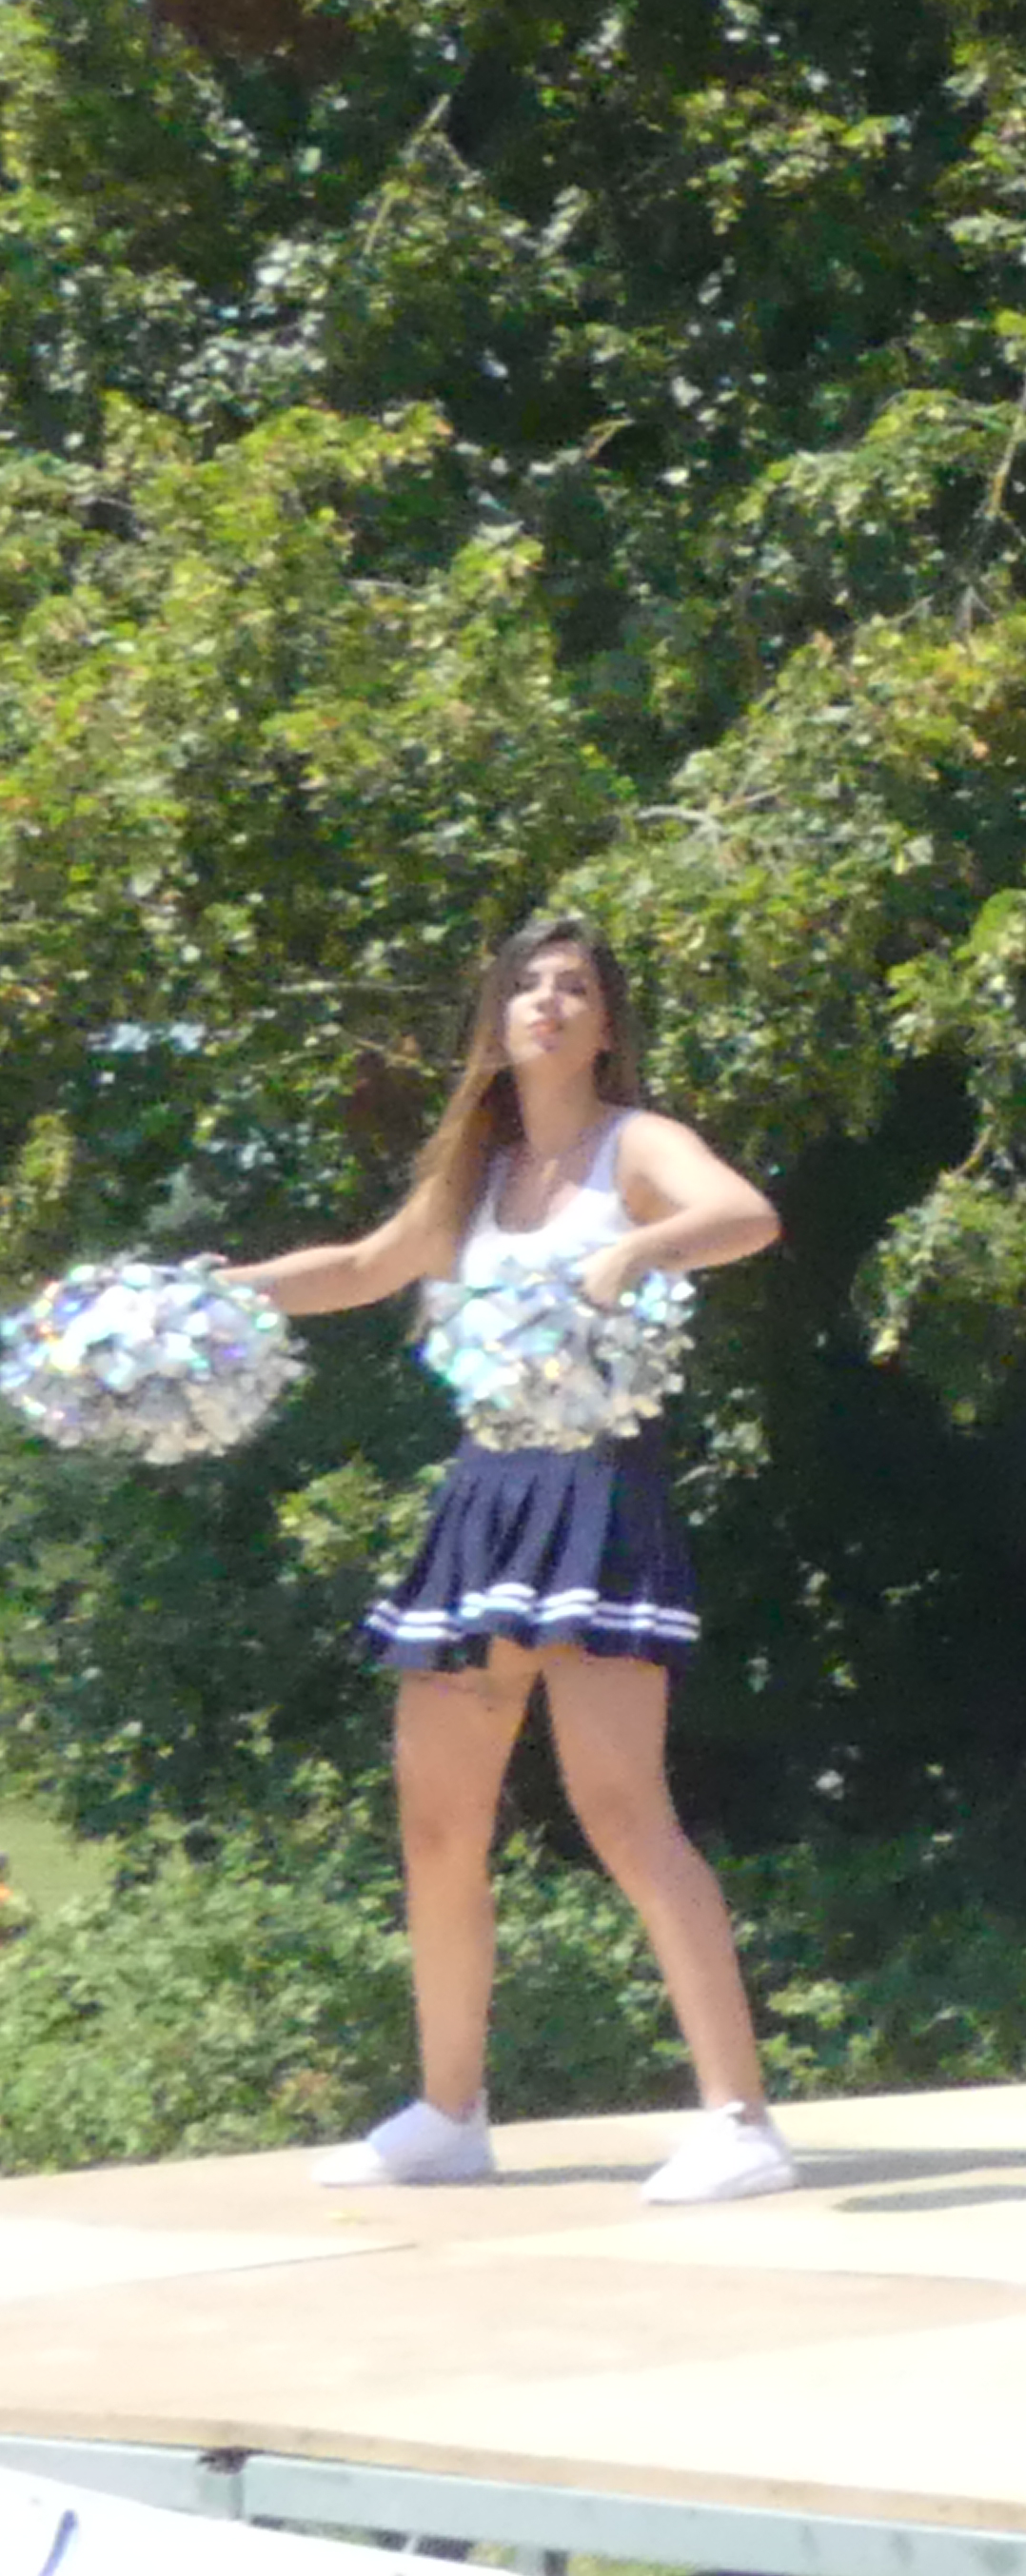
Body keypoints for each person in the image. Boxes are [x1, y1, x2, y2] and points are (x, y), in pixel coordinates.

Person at [224, 916, 795, 2204]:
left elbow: (745, 1216)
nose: (547, 1002)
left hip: (596, 1491)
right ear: (495, 1018)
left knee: (622, 1809)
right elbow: (363, 1268)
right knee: (437, 1821)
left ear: (606, 1025)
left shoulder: (635, 1145)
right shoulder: (473, 1172)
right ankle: (449, 2112)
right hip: (484, 1499)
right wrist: (226, 1289)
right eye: (526, 985)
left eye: (574, 987)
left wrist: (637, 1246)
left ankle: (741, 2120)